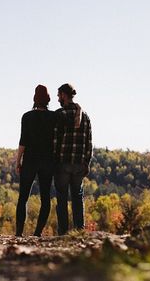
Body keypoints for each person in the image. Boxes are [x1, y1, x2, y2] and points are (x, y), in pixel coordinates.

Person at [15, 84, 57, 237]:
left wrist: (18, 161)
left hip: (30, 161)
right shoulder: (54, 117)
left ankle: (19, 233)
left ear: (34, 99)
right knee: (45, 198)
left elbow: (23, 141)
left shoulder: (27, 117)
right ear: (48, 100)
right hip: (47, 162)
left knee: (23, 197)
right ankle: (37, 233)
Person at [54, 83, 92, 235]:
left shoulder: (60, 114)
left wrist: (54, 161)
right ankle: (79, 230)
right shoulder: (85, 117)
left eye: (59, 95)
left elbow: (55, 140)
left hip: (63, 163)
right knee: (77, 197)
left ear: (64, 95)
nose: (58, 98)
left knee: (62, 198)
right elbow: (89, 142)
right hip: (78, 164)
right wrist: (86, 163)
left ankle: (63, 232)